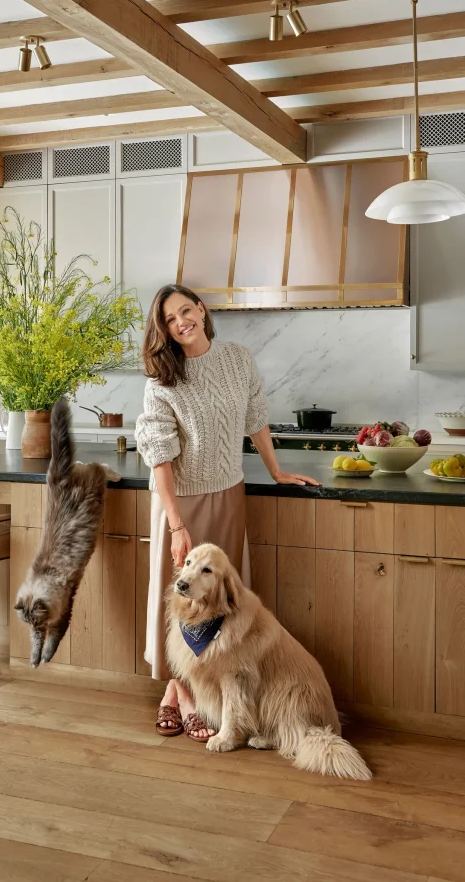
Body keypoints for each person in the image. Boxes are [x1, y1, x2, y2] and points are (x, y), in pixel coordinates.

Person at [134, 284, 321, 741]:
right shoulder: (162, 380)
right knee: (183, 602)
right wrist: (177, 525)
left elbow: (255, 418)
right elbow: (159, 458)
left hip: (228, 495)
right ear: (165, 330)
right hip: (182, 504)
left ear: (201, 309)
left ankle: (197, 694)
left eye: (185, 310)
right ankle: (180, 694)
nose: (181, 322)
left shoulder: (237, 359)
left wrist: (276, 471)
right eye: (170, 320)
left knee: (220, 606)